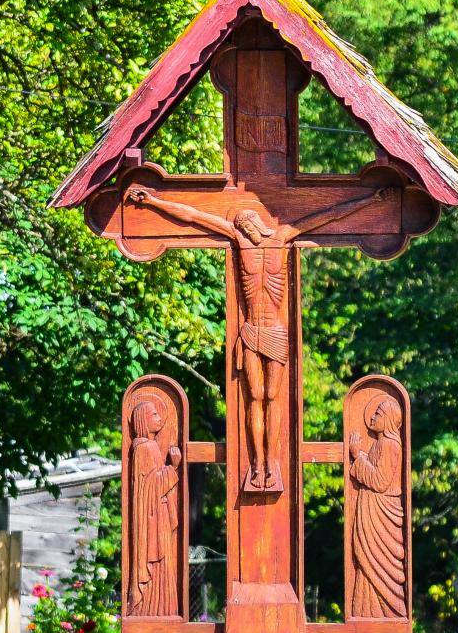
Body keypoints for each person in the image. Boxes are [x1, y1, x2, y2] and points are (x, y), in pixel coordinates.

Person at [126, 184, 393, 492]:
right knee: (254, 395)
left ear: (259, 223)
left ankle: (273, 461)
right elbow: (193, 216)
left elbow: (326, 217)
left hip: (276, 332)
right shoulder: (239, 242)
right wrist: (154, 201)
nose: (247, 228)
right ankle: (258, 463)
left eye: (249, 223)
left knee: (271, 397)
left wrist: (370, 198)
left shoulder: (282, 238)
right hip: (251, 330)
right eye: (242, 225)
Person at [347, 394, 406, 619]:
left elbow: (379, 481)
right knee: (366, 561)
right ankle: (366, 610)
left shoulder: (390, 445)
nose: (373, 417)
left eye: (378, 414)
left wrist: (355, 456)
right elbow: (374, 469)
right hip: (372, 511)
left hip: (380, 513)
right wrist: (361, 455)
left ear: (389, 420)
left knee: (377, 565)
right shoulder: (383, 444)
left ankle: (384, 612)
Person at [128, 397, 183, 616]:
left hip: (157, 515)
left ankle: (161, 607)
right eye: (154, 415)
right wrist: (173, 468)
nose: (159, 419)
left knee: (164, 564)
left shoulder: (146, 447)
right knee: (159, 564)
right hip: (152, 518)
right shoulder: (145, 448)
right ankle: (154, 608)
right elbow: (150, 486)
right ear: (143, 420)